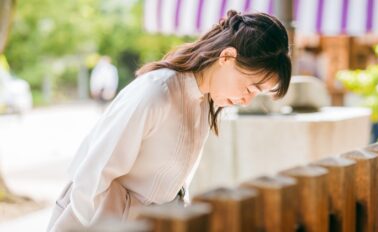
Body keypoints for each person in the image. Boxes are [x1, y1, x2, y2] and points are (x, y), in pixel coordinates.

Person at [47, 10, 292, 231]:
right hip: (98, 219)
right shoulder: (157, 92)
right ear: (227, 57)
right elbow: (93, 175)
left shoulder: (205, 101)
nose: (246, 100)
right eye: (249, 87)